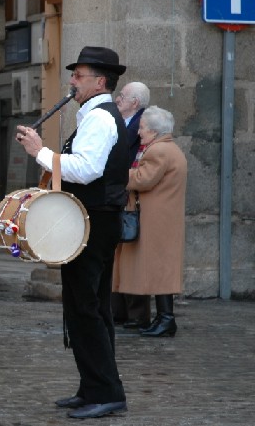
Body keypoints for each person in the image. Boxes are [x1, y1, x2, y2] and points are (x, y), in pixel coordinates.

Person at [15, 46, 129, 419]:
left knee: (85, 308)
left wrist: (40, 152)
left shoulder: (101, 119)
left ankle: (107, 391)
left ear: (100, 81)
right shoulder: (95, 115)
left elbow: (87, 169)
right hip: (93, 220)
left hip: (94, 222)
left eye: (78, 76)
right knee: (88, 306)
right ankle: (92, 387)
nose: (72, 81)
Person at [113, 106, 187, 338]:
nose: (139, 132)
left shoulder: (159, 151)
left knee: (159, 270)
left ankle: (166, 319)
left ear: (154, 131)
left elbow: (143, 179)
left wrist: (115, 173)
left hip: (157, 219)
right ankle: (163, 318)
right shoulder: (167, 148)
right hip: (162, 217)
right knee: (160, 270)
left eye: (143, 128)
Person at [111, 81, 151, 329]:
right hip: (119, 196)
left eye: (122, 96)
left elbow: (139, 170)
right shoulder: (123, 121)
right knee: (118, 257)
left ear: (135, 102)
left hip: (129, 200)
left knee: (131, 257)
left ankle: (134, 313)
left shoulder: (141, 125)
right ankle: (118, 310)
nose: (117, 99)